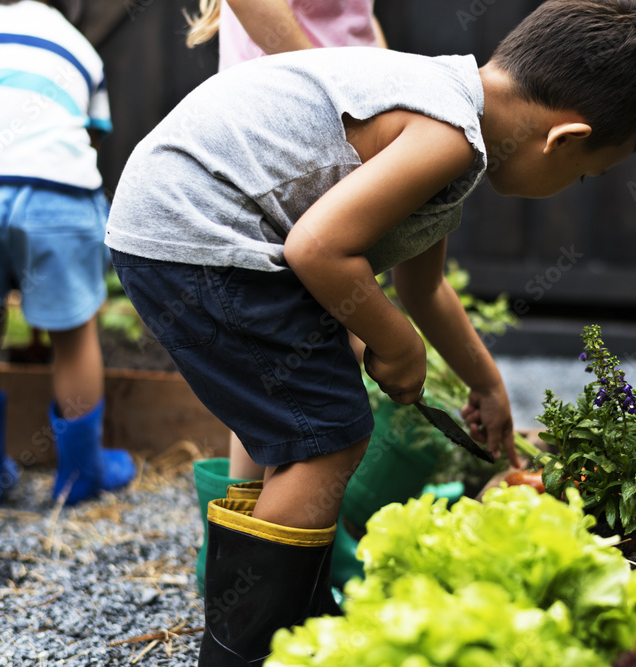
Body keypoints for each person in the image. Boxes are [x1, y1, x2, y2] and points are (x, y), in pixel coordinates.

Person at [106, 0, 636, 662]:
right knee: (328, 434)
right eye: (583, 173)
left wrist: (485, 383)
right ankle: (244, 649)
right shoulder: (448, 133)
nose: (573, 182)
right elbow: (318, 247)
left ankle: (289, 610)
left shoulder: (443, 101)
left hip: (177, 217)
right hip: (198, 226)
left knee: (294, 423)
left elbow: (420, 286)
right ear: (565, 138)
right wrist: (397, 343)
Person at [182, 0, 388, 598]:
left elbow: (358, 24)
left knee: (308, 347)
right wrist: (331, 103)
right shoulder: (315, 97)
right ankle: (263, 562)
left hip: (335, 124)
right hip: (294, 127)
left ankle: (248, 544)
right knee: (300, 345)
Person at [0, 0, 136, 511]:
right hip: (57, 188)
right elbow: (89, 138)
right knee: (76, 336)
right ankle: (80, 478)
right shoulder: (80, 46)